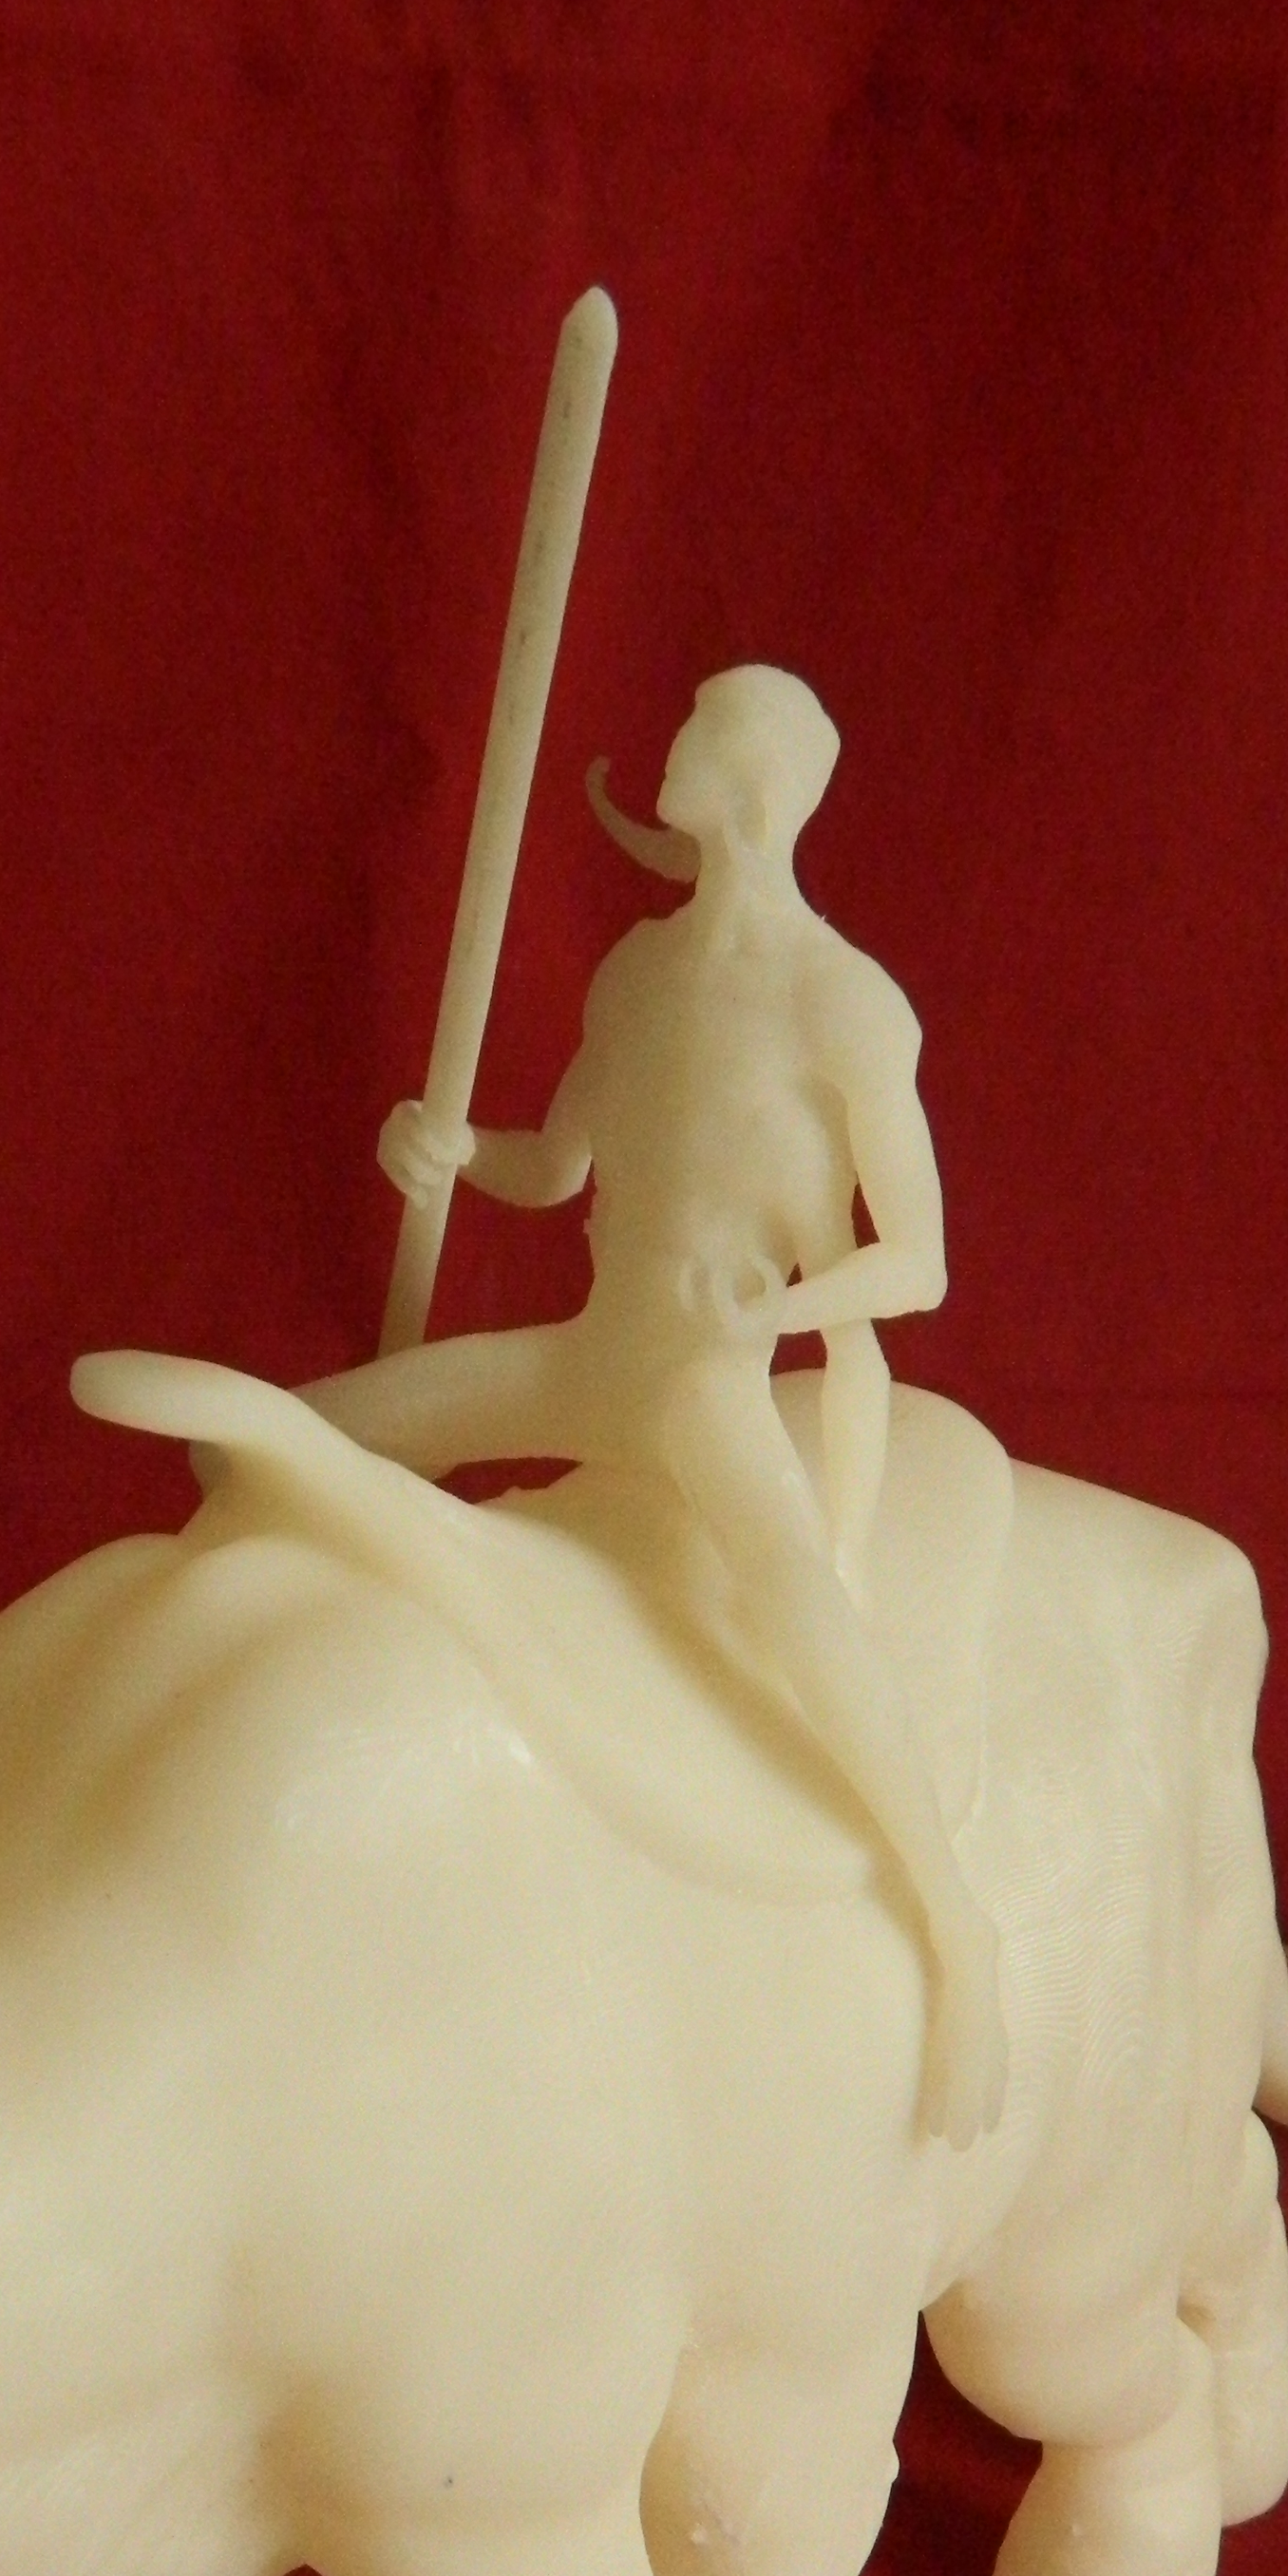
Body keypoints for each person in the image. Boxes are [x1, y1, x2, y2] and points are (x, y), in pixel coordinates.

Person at [299, 664, 1008, 2149]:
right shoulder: (638, 972)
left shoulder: (845, 1003)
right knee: (296, 1437)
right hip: (586, 1357)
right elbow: (556, 1166)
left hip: (702, 1387)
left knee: (796, 1601)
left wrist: (777, 1316)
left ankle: (958, 1934)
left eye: (698, 729)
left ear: (753, 782)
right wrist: (450, 1154)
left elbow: (922, 1262)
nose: (668, 744)